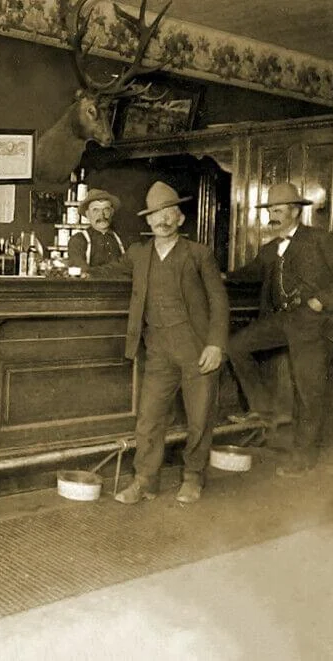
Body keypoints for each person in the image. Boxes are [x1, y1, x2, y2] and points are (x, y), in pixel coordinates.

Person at [96, 181, 229, 505]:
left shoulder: (199, 254)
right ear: (148, 221)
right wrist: (70, 271)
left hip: (196, 348)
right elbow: (109, 271)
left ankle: (193, 478)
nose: (162, 220)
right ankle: (145, 481)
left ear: (180, 219)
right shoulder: (139, 255)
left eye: (168, 213)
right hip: (158, 350)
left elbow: (219, 302)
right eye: (155, 215)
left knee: (199, 419)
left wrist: (216, 345)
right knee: (149, 419)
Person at [226, 182, 333, 477]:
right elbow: (249, 274)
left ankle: (303, 458)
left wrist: (321, 301)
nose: (271, 217)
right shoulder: (270, 248)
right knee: (236, 346)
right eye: (270, 211)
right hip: (284, 321)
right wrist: (220, 275)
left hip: (316, 324)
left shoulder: (320, 240)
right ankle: (262, 409)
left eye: (277, 211)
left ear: (294, 211)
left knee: (308, 391)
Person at [65, 188, 126, 271]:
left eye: (106, 209)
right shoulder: (78, 240)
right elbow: (82, 271)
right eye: (95, 210)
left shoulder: (123, 239)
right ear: (88, 214)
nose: (101, 215)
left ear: (112, 212)